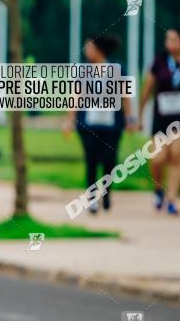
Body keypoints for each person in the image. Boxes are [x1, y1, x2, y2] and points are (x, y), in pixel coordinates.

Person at [63, 35, 131, 214]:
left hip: (112, 124)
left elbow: (125, 95)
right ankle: (92, 198)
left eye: (89, 47)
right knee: (91, 160)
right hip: (88, 124)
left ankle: (107, 194)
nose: (86, 51)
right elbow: (76, 95)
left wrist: (130, 118)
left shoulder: (117, 69)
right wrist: (70, 120)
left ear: (99, 49)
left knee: (109, 160)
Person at [139, 28, 180, 215]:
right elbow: (147, 88)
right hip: (161, 119)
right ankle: (158, 190)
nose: (169, 42)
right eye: (167, 39)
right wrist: (139, 114)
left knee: (176, 157)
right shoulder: (159, 61)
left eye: (173, 39)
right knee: (157, 158)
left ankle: (172, 199)